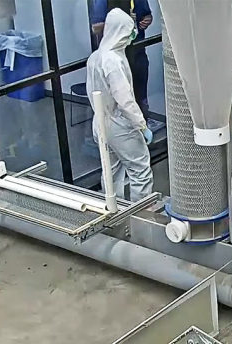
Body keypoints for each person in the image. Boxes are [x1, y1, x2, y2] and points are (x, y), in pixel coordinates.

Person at [87, 8, 154, 202]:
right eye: (129, 30)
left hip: (99, 122)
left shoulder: (96, 57)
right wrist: (142, 125)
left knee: (111, 173)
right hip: (119, 125)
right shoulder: (113, 61)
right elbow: (124, 101)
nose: (132, 34)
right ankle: (141, 216)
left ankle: (113, 215)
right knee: (140, 170)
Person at [91, 0, 152, 121]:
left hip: (138, 54)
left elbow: (148, 15)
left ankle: (143, 123)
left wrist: (146, 20)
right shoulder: (110, 61)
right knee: (120, 100)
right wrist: (122, 22)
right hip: (118, 51)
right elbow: (95, 27)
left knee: (140, 97)